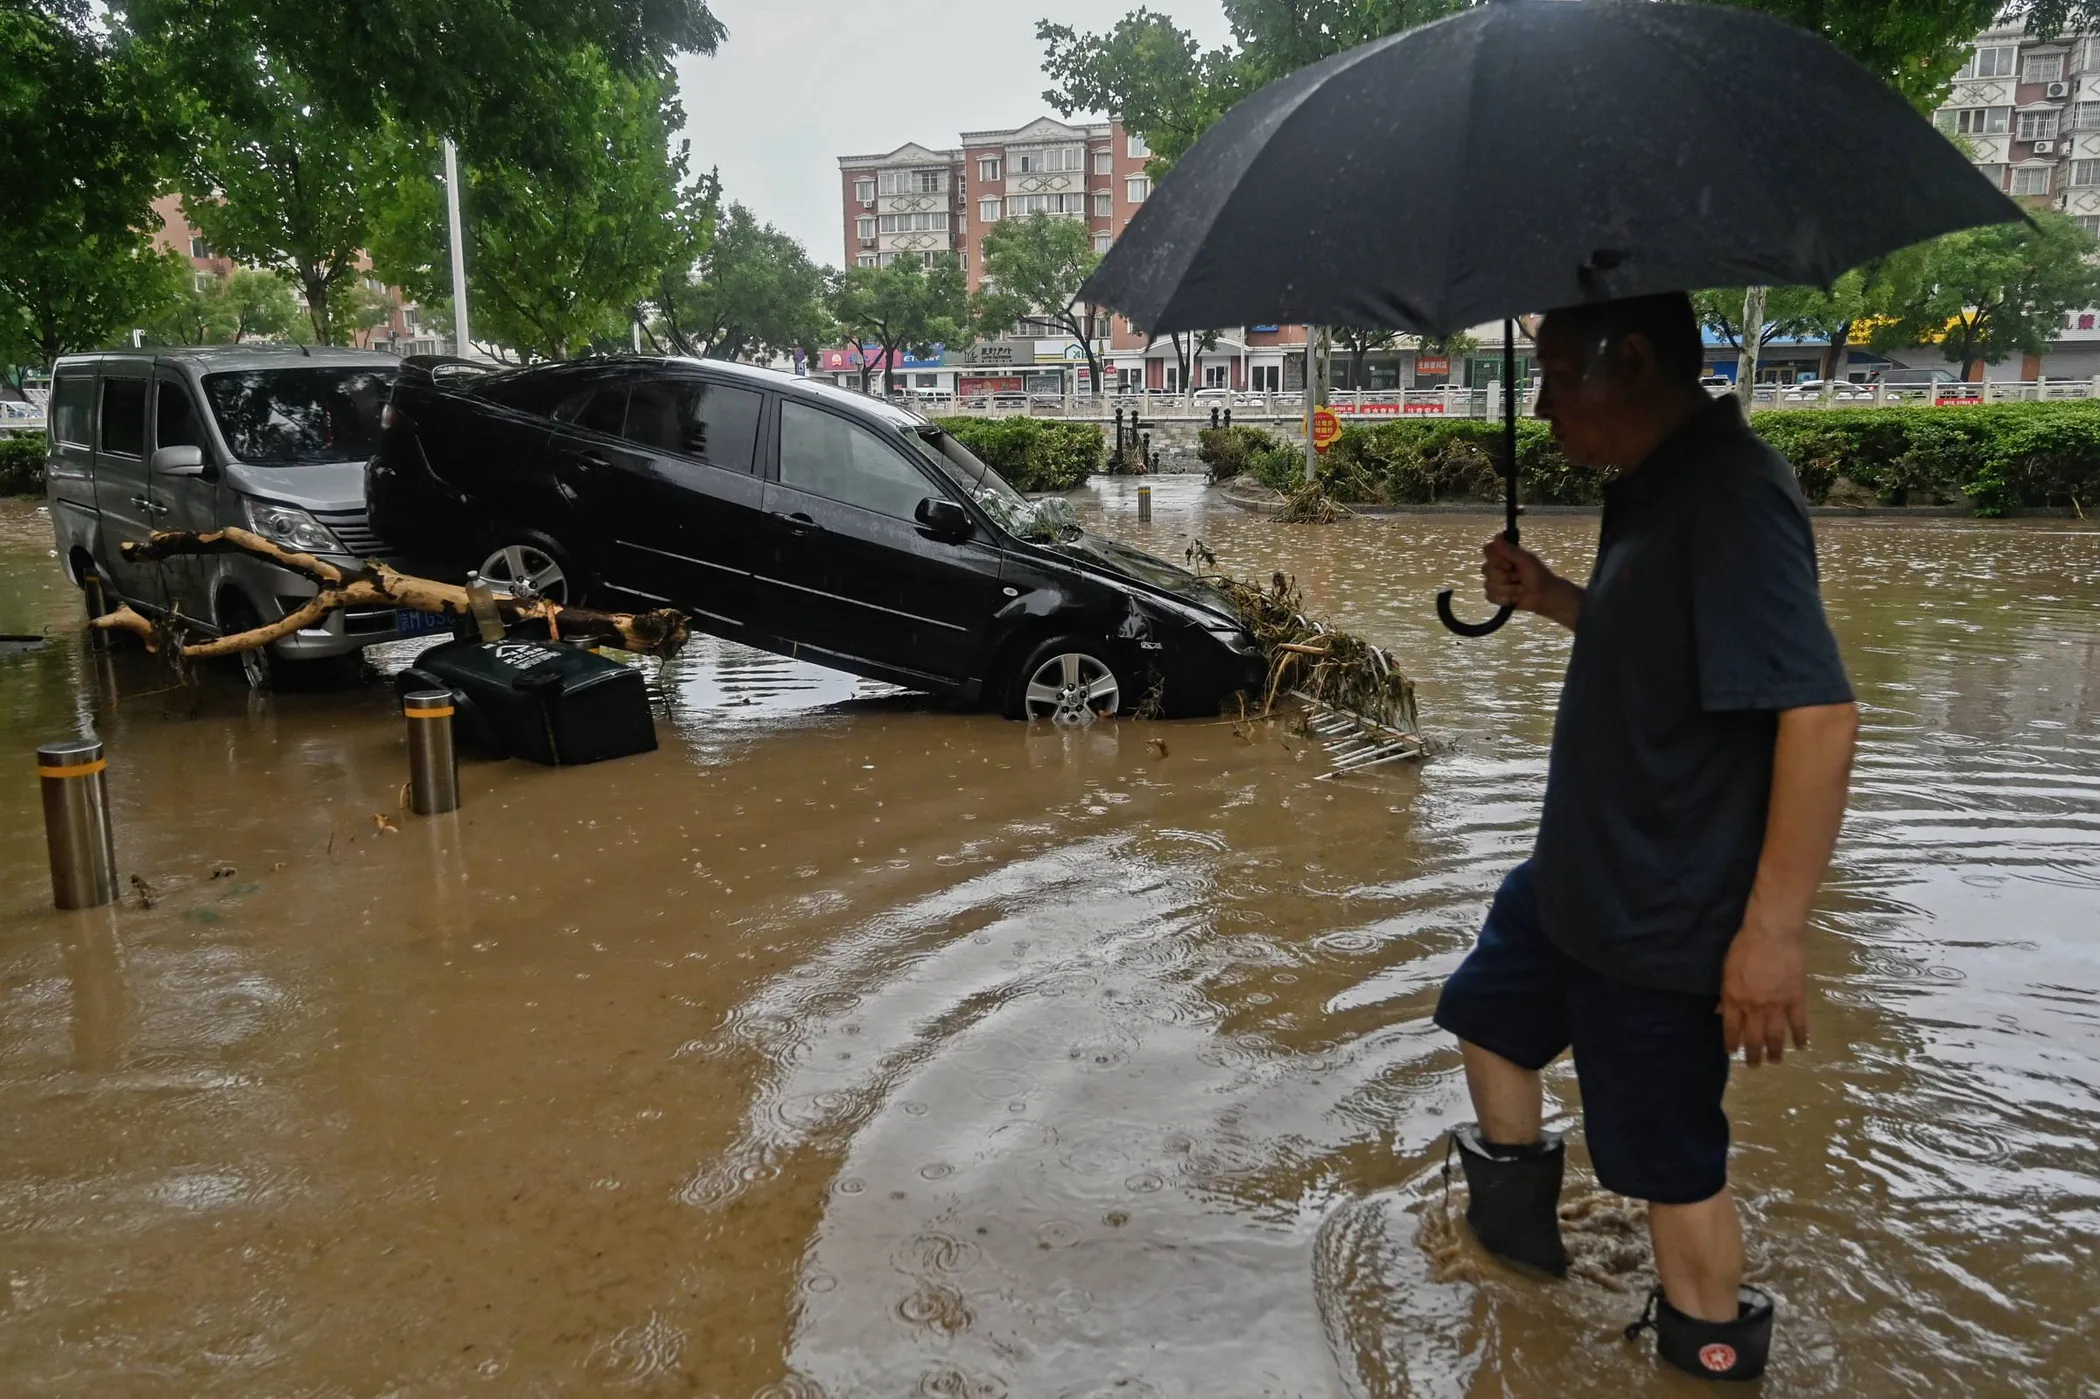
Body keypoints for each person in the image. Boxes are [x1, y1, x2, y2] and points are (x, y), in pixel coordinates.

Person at [1433, 292, 1858, 1382]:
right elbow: (1663, 642)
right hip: (1573, 877)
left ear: (1630, 362)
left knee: (1672, 1164)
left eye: (1555, 375)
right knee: (1487, 1013)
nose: (1540, 408)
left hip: (1662, 909)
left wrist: (1772, 933)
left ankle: (1706, 1355)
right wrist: (1555, 598)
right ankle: (1520, 1266)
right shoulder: (1650, 487)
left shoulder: (1733, 497)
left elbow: (1818, 712)